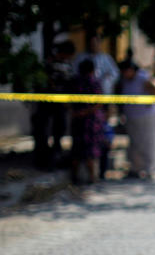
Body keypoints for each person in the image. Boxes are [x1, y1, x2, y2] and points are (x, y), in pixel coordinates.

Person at [116, 58, 155, 180]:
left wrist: (151, 100)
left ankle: (149, 168)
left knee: (147, 142)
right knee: (134, 143)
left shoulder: (142, 77)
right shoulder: (126, 80)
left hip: (145, 116)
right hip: (132, 116)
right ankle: (135, 168)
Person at [31, 40, 75, 170]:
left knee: (58, 131)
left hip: (59, 104)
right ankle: (45, 159)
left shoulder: (66, 65)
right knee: (44, 131)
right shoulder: (50, 64)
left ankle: (54, 158)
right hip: (48, 103)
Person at [69, 59, 108, 184]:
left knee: (76, 149)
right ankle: (92, 177)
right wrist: (86, 112)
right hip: (91, 122)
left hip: (77, 120)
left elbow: (66, 99)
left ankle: (75, 177)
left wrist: (75, 112)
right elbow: (99, 102)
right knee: (90, 151)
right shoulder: (95, 82)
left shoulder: (74, 81)